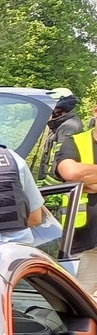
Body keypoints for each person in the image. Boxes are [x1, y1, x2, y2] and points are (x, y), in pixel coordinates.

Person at [50, 105, 97, 291]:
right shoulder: (75, 142)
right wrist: (79, 177)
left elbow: (79, 173)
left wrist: (87, 179)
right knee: (82, 303)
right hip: (85, 241)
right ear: (95, 110)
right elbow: (70, 172)